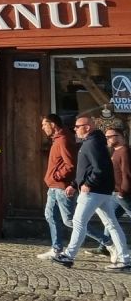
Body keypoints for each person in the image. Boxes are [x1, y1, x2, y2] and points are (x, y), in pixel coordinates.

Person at [53, 115, 131, 270]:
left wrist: (88, 184)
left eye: (77, 126)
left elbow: (99, 168)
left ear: (87, 127)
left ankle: (69, 255)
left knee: (78, 222)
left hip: (93, 192)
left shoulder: (92, 143)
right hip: (101, 191)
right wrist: (75, 184)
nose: (74, 129)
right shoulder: (93, 142)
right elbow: (87, 169)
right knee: (112, 224)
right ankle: (125, 258)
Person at [40, 114, 81, 260]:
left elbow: (71, 165)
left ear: (53, 124)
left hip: (62, 187)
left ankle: (106, 242)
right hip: (53, 187)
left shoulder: (63, 139)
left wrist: (57, 176)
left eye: (45, 124)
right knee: (50, 215)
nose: (43, 128)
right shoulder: (57, 139)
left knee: (70, 221)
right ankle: (56, 249)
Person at [107, 123, 130, 229]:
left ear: (120, 137)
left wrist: (122, 192)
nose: (107, 139)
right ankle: (106, 243)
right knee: (110, 219)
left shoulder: (124, 151)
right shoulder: (115, 151)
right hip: (115, 192)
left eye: (109, 137)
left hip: (123, 194)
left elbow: (127, 173)